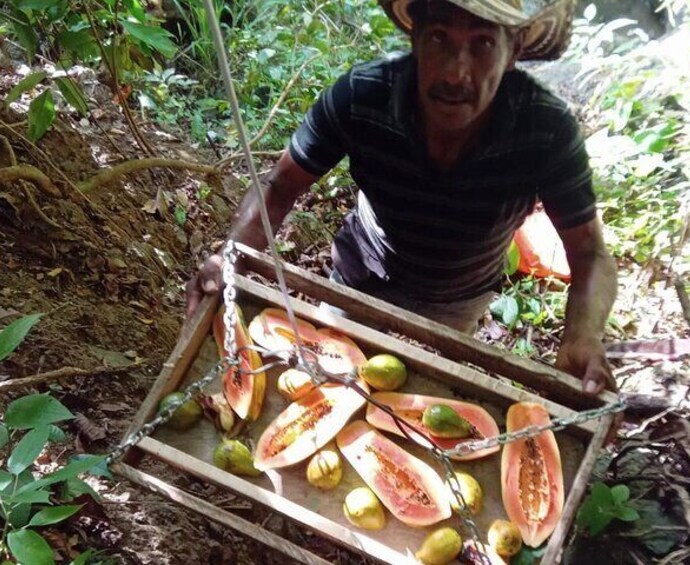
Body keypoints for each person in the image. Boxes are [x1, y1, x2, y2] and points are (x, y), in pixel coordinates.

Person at [186, 0, 618, 396]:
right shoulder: (361, 96)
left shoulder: (546, 129)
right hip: (361, 275)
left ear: (515, 50)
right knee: (324, 387)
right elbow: (278, 187)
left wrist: (583, 335)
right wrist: (233, 254)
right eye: (439, 39)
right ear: (414, 36)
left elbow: (589, 253)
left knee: (430, 404)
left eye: (483, 43)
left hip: (460, 295)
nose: (455, 72)